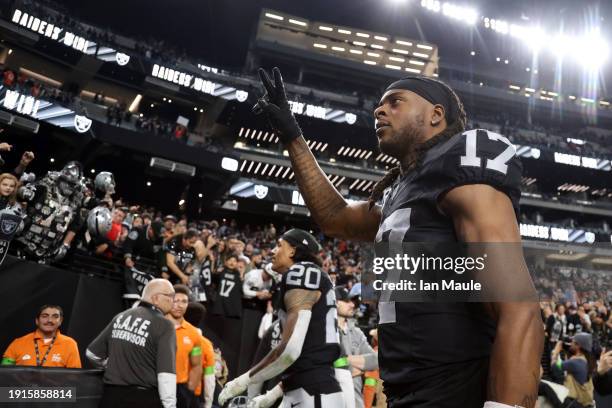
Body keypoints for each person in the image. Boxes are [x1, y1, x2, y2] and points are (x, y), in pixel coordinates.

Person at [252, 67, 543, 407]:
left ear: (436, 115)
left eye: (395, 102)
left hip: (457, 384)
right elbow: (334, 217)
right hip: (407, 387)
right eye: (380, 104)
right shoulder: (401, 190)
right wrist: (292, 136)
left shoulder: (462, 162)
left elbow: (519, 310)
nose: (379, 110)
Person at [219, 228, 344, 408]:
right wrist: (273, 394)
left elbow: (291, 349)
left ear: (292, 250)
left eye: (279, 246)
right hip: (307, 388)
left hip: (313, 392)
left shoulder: (301, 272)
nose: (272, 251)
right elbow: (307, 353)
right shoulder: (312, 275)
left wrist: (242, 381)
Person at [86, 279, 177, 408]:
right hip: (142, 399)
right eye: (171, 296)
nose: (173, 300)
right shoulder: (164, 324)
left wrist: (110, 366)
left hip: (110, 396)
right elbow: (166, 375)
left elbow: (92, 354)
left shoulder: (121, 316)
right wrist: (170, 406)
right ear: (156, 298)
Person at [335, 286, 378, 408]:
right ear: (336, 303)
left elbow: (376, 360)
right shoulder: (326, 333)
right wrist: (360, 366)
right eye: (347, 301)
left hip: (356, 402)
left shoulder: (357, 332)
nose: (352, 305)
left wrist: (347, 360)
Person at [2, 305, 81, 368]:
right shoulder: (18, 343)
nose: (49, 320)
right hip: (23, 388)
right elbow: (5, 373)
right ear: (37, 321)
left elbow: (74, 377)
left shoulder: (70, 344)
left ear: (60, 321)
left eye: (55, 316)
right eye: (44, 316)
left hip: (56, 389)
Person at [166, 285, 202, 408]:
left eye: (184, 301)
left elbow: (197, 365)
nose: (180, 305)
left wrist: (190, 390)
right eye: (176, 300)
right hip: (155, 386)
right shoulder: (157, 325)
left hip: (180, 390)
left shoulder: (194, 333)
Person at [184, 302, 216, 408]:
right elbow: (209, 377)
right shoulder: (206, 345)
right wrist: (208, 403)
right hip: (192, 395)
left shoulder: (172, 336)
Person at [550, 333, 595, 407]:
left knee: (544, 386)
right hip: (583, 403)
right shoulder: (585, 360)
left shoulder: (575, 362)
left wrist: (556, 350)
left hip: (575, 403)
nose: (570, 344)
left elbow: (555, 366)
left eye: (573, 342)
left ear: (578, 345)